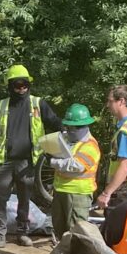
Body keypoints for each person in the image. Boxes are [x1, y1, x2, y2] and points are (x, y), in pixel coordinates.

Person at [0, 64, 60, 248]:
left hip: (28, 161)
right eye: (18, 85)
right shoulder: (0, 106)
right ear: (10, 86)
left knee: (24, 198)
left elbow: (55, 122)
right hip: (5, 162)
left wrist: (70, 131)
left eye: (25, 84)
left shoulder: (38, 104)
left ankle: (22, 232)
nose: (22, 88)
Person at [47, 103, 101, 240]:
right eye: (68, 126)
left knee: (76, 233)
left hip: (78, 195)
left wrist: (53, 162)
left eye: (74, 127)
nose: (70, 130)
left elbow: (76, 166)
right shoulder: (66, 139)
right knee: (60, 230)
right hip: (60, 191)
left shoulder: (90, 145)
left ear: (84, 126)